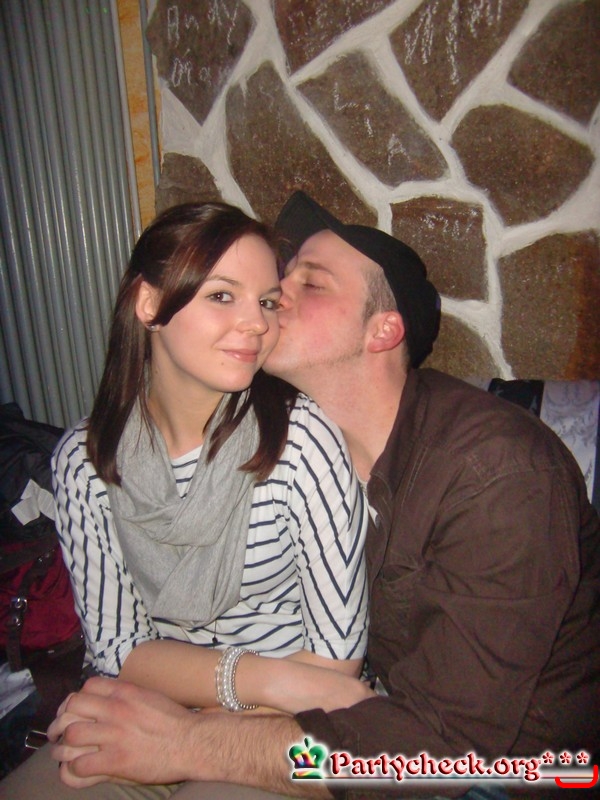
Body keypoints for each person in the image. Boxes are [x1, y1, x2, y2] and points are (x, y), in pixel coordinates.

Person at [2, 192, 599, 799]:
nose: (270, 304)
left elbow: (439, 754)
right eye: (271, 286)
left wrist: (189, 741)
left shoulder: (498, 473)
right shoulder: (292, 445)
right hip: (360, 726)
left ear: (382, 330)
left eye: (307, 283)